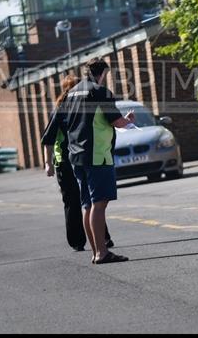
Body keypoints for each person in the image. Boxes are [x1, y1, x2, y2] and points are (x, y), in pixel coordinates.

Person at [63, 57, 134, 264]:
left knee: (87, 205)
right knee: (99, 204)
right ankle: (102, 253)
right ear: (103, 73)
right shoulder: (100, 92)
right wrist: (128, 121)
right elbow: (117, 122)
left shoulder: (72, 93)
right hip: (97, 154)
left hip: (76, 154)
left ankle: (96, 252)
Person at [41, 74, 112, 252]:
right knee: (77, 202)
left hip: (79, 159)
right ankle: (78, 240)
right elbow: (48, 138)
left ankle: (102, 238)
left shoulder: (79, 107)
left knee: (90, 201)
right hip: (65, 162)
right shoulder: (59, 110)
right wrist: (48, 163)